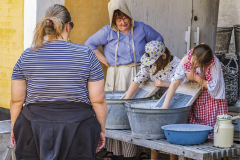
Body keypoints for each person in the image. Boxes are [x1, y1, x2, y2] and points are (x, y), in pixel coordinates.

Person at [10, 4, 107, 160]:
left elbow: (16, 100)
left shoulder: (27, 56)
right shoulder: (87, 55)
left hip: (33, 128)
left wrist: (14, 128)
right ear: (67, 26)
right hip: (80, 128)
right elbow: (98, 100)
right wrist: (101, 130)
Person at [85, 0, 163, 158]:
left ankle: (141, 150)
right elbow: (89, 44)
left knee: (138, 111)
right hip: (118, 75)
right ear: (113, 19)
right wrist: (104, 61)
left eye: (124, 17)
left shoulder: (141, 28)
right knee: (118, 112)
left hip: (139, 74)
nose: (123, 22)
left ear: (129, 15)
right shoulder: (108, 31)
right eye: (118, 19)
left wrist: (149, 60)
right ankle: (116, 151)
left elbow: (159, 39)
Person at [160, 43, 228, 160]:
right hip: (196, 97)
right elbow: (175, 82)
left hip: (212, 101)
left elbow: (215, 87)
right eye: (193, 60)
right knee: (197, 135)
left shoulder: (213, 63)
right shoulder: (186, 59)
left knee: (213, 137)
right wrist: (165, 105)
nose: (193, 64)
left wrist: (196, 78)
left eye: (197, 64)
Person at [125, 41, 180, 160]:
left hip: (174, 105)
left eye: (154, 61)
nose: (152, 64)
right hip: (155, 104)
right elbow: (137, 80)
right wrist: (125, 100)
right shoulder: (148, 64)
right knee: (154, 134)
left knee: (172, 136)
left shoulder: (177, 64)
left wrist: (166, 84)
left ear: (164, 56)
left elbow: (185, 87)